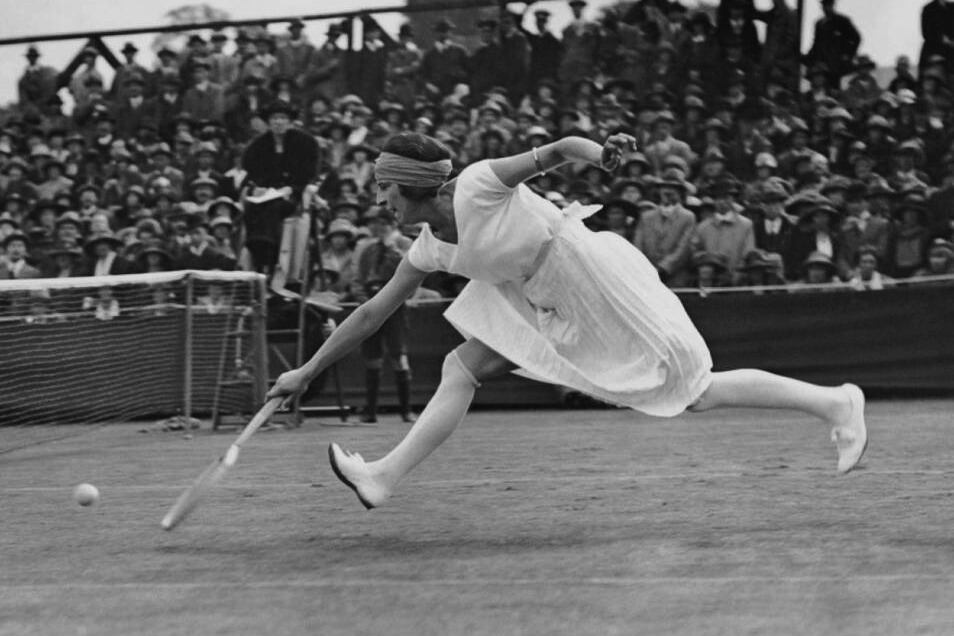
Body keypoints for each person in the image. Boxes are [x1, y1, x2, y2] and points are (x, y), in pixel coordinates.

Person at [266, 132, 868, 511]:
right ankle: (383, 478)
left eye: (385, 189)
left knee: (696, 391)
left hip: (585, 271)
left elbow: (555, 152)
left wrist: (601, 153)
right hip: (531, 292)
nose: (379, 202)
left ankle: (838, 403)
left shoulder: (478, 186)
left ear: (414, 185)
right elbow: (372, 313)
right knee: (461, 365)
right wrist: (308, 370)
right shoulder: (427, 249)